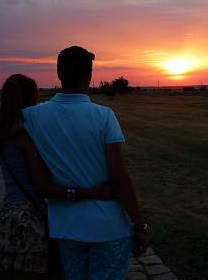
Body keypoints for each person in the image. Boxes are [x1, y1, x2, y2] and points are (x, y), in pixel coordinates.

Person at [21, 46, 150, 280]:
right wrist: (140, 225)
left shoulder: (31, 117)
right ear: (89, 76)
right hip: (108, 227)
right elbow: (119, 177)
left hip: (66, 228)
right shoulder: (103, 116)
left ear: (59, 74)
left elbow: (39, 182)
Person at [0, 73, 114, 279]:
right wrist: (90, 192)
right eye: (37, 93)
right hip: (29, 221)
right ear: (31, 96)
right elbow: (43, 187)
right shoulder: (26, 135)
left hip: (7, 218)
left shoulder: (3, 129)